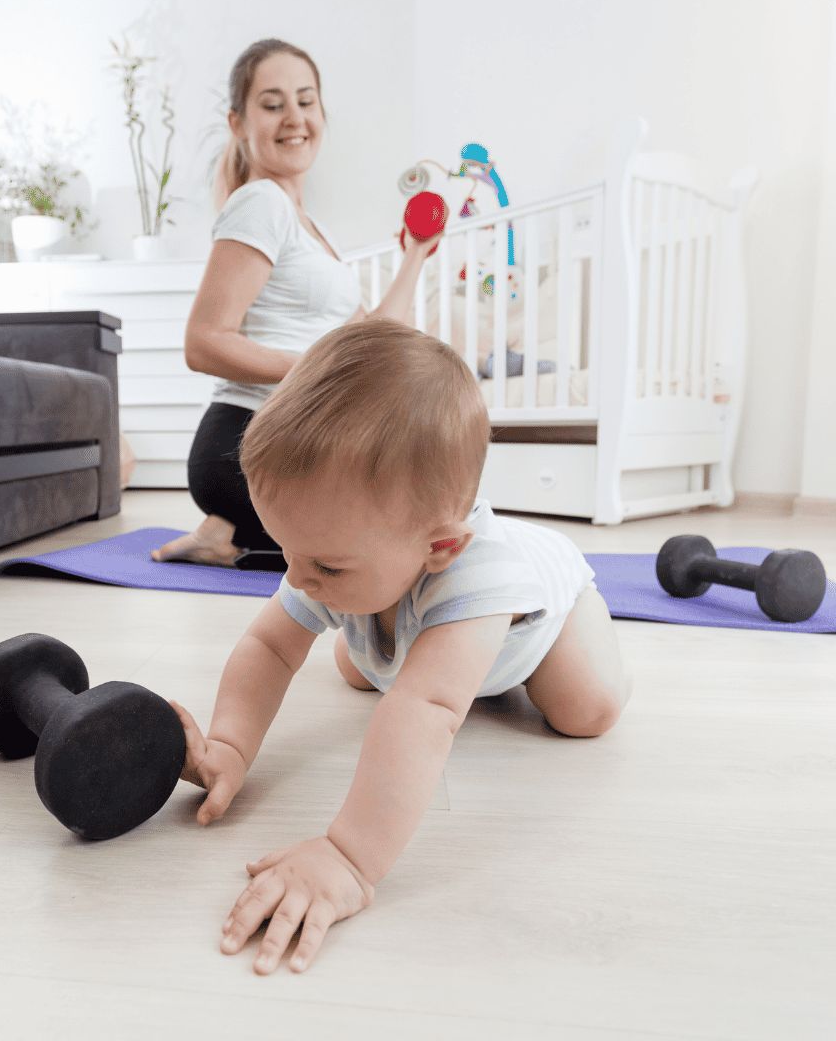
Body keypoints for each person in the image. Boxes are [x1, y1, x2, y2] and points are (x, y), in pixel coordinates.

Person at [168, 320, 631, 975]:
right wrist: (230, 746)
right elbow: (269, 646)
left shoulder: (481, 575)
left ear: (440, 547)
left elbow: (426, 716)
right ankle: (394, 644)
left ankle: (575, 635)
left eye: (322, 565)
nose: (296, 578)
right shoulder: (332, 553)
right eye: (285, 548)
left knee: (587, 709)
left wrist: (349, 856)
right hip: (400, 601)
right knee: (363, 669)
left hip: (538, 621)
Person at [151, 39, 443, 570]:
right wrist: (318, 373)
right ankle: (237, 529)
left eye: (306, 101)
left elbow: (367, 340)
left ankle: (227, 534)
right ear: (238, 123)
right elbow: (204, 343)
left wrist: (416, 254)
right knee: (401, 542)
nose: (294, 117)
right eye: (273, 104)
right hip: (246, 444)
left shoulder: (312, 229)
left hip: (298, 444)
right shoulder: (260, 203)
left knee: (423, 520)